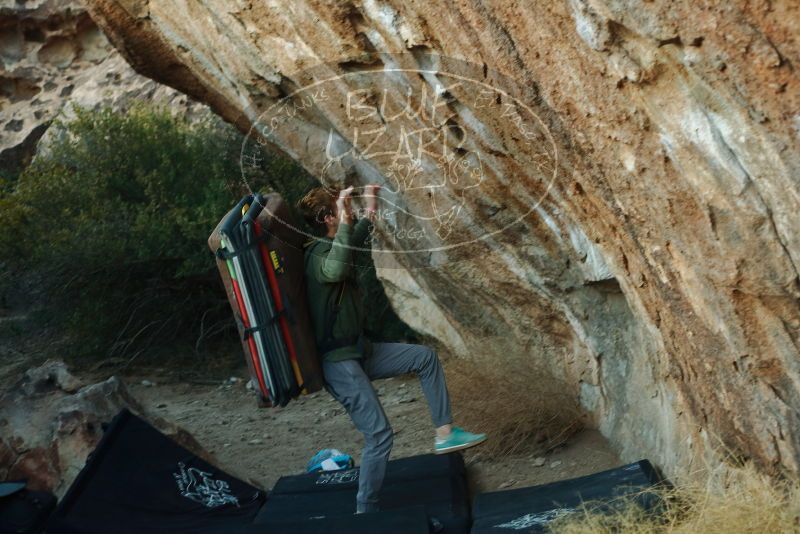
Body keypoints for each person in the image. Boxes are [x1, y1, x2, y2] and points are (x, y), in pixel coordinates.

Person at [297, 183, 487, 514]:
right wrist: (346, 217)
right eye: (343, 210)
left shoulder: (336, 242)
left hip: (360, 352)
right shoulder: (316, 255)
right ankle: (365, 510)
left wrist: (369, 208)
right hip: (338, 362)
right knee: (380, 435)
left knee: (424, 358)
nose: (349, 213)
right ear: (328, 217)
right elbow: (335, 269)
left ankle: (445, 433)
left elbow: (355, 237)